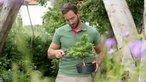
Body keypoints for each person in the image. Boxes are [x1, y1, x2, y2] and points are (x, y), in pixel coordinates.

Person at [47, 3, 103, 82]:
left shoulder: (93, 32)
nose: (71, 22)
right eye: (67, 20)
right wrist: (56, 52)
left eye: (72, 18)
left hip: (85, 76)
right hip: (64, 76)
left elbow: (100, 52)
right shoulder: (60, 32)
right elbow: (49, 53)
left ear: (78, 14)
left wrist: (97, 62)